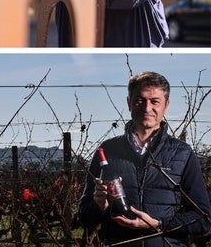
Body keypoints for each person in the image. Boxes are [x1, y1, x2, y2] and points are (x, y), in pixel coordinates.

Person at [78, 71, 211, 246]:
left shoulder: (182, 154)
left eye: (155, 101)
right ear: (129, 103)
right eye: (140, 100)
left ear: (166, 105)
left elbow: (204, 220)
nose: (147, 108)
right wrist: (98, 205)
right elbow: (85, 217)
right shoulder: (107, 151)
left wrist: (158, 224)